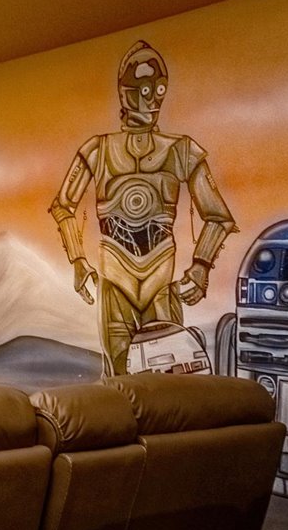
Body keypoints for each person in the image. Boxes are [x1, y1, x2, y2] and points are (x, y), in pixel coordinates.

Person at [49, 41, 236, 374]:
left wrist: (201, 266)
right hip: (115, 274)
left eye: (157, 89)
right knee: (118, 380)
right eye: (143, 89)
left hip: (160, 277)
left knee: (172, 380)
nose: (150, 99)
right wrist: (77, 261)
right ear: (125, 93)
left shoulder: (181, 150)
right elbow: (63, 206)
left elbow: (218, 216)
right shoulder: (98, 150)